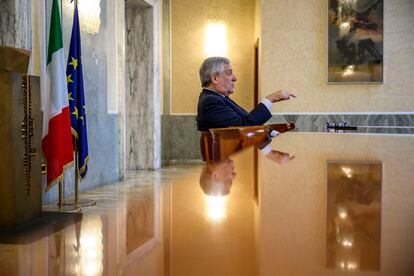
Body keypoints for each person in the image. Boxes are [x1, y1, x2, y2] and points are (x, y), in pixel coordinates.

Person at [196, 56, 296, 131]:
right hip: (227, 158)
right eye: (229, 73)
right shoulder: (211, 101)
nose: (235, 78)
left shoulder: (219, 98)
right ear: (214, 78)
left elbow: (245, 121)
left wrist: (271, 132)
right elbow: (244, 127)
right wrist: (270, 99)